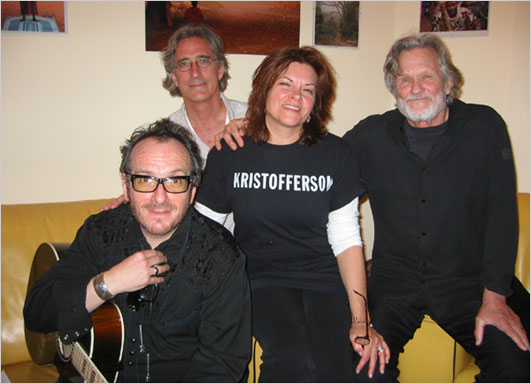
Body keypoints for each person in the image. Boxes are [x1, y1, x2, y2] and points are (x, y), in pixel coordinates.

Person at [195, 46, 389, 382]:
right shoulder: (232, 152)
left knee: (355, 365)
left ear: (317, 102)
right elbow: (204, 232)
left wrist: (362, 321)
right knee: (294, 362)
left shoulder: (335, 153)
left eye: (308, 90)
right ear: (264, 89)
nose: (295, 97)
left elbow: (345, 238)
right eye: (285, 84)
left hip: (323, 278)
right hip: (259, 278)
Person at [342, 34, 530, 381]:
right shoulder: (370, 135)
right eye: (404, 78)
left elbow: (502, 218)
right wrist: (259, 127)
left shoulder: (485, 127)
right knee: (360, 369)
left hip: (469, 282)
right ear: (393, 87)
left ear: (448, 81)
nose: (416, 88)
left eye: (426, 76)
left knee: (516, 365)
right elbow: (317, 165)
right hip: (393, 284)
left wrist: (495, 299)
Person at [24, 119, 251, 382]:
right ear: (126, 185)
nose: (159, 197)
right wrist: (106, 283)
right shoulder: (100, 233)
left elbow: (220, 367)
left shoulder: (220, 256)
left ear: (192, 190)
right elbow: (37, 313)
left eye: (175, 181)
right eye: (145, 179)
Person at [104, 24, 247, 216]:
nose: (195, 72)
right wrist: (135, 197)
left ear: (220, 69)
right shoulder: (166, 138)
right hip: (199, 242)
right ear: (175, 77)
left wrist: (257, 127)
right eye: (184, 64)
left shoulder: (254, 119)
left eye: (203, 61)